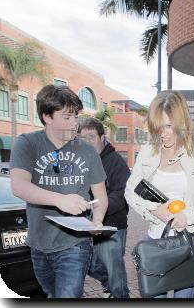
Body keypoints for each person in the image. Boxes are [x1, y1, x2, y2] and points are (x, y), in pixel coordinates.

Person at [10, 85, 108, 298]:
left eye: (76, 116)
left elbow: (100, 195)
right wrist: (60, 200)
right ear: (47, 116)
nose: (74, 123)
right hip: (38, 244)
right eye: (66, 117)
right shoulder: (27, 144)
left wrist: (98, 219)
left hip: (75, 244)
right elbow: (19, 185)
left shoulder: (87, 150)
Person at [125, 90, 194, 299]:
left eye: (169, 126)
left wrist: (189, 215)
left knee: (184, 296)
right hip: (156, 239)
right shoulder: (147, 151)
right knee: (153, 295)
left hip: (190, 241)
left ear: (182, 122)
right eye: (158, 127)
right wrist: (153, 209)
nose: (164, 133)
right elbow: (130, 191)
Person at [79, 118, 130, 298]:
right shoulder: (82, 162)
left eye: (91, 137)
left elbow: (124, 194)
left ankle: (120, 296)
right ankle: (110, 286)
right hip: (88, 226)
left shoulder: (115, 161)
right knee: (88, 264)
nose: (86, 142)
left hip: (111, 227)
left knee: (115, 271)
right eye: (82, 138)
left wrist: (100, 207)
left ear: (102, 137)